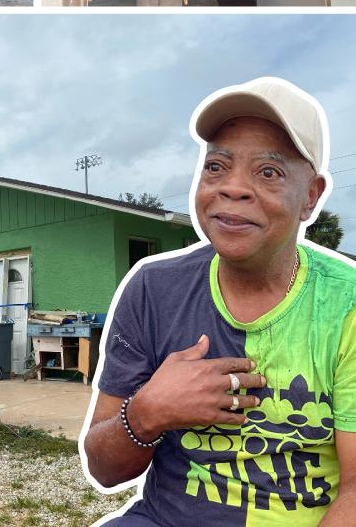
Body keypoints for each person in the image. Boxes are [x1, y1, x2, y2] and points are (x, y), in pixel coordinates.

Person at [83, 77, 356, 526]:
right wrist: (149, 412)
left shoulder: (345, 306)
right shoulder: (153, 291)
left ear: (311, 197)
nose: (233, 188)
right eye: (216, 166)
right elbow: (105, 470)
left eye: (268, 172)